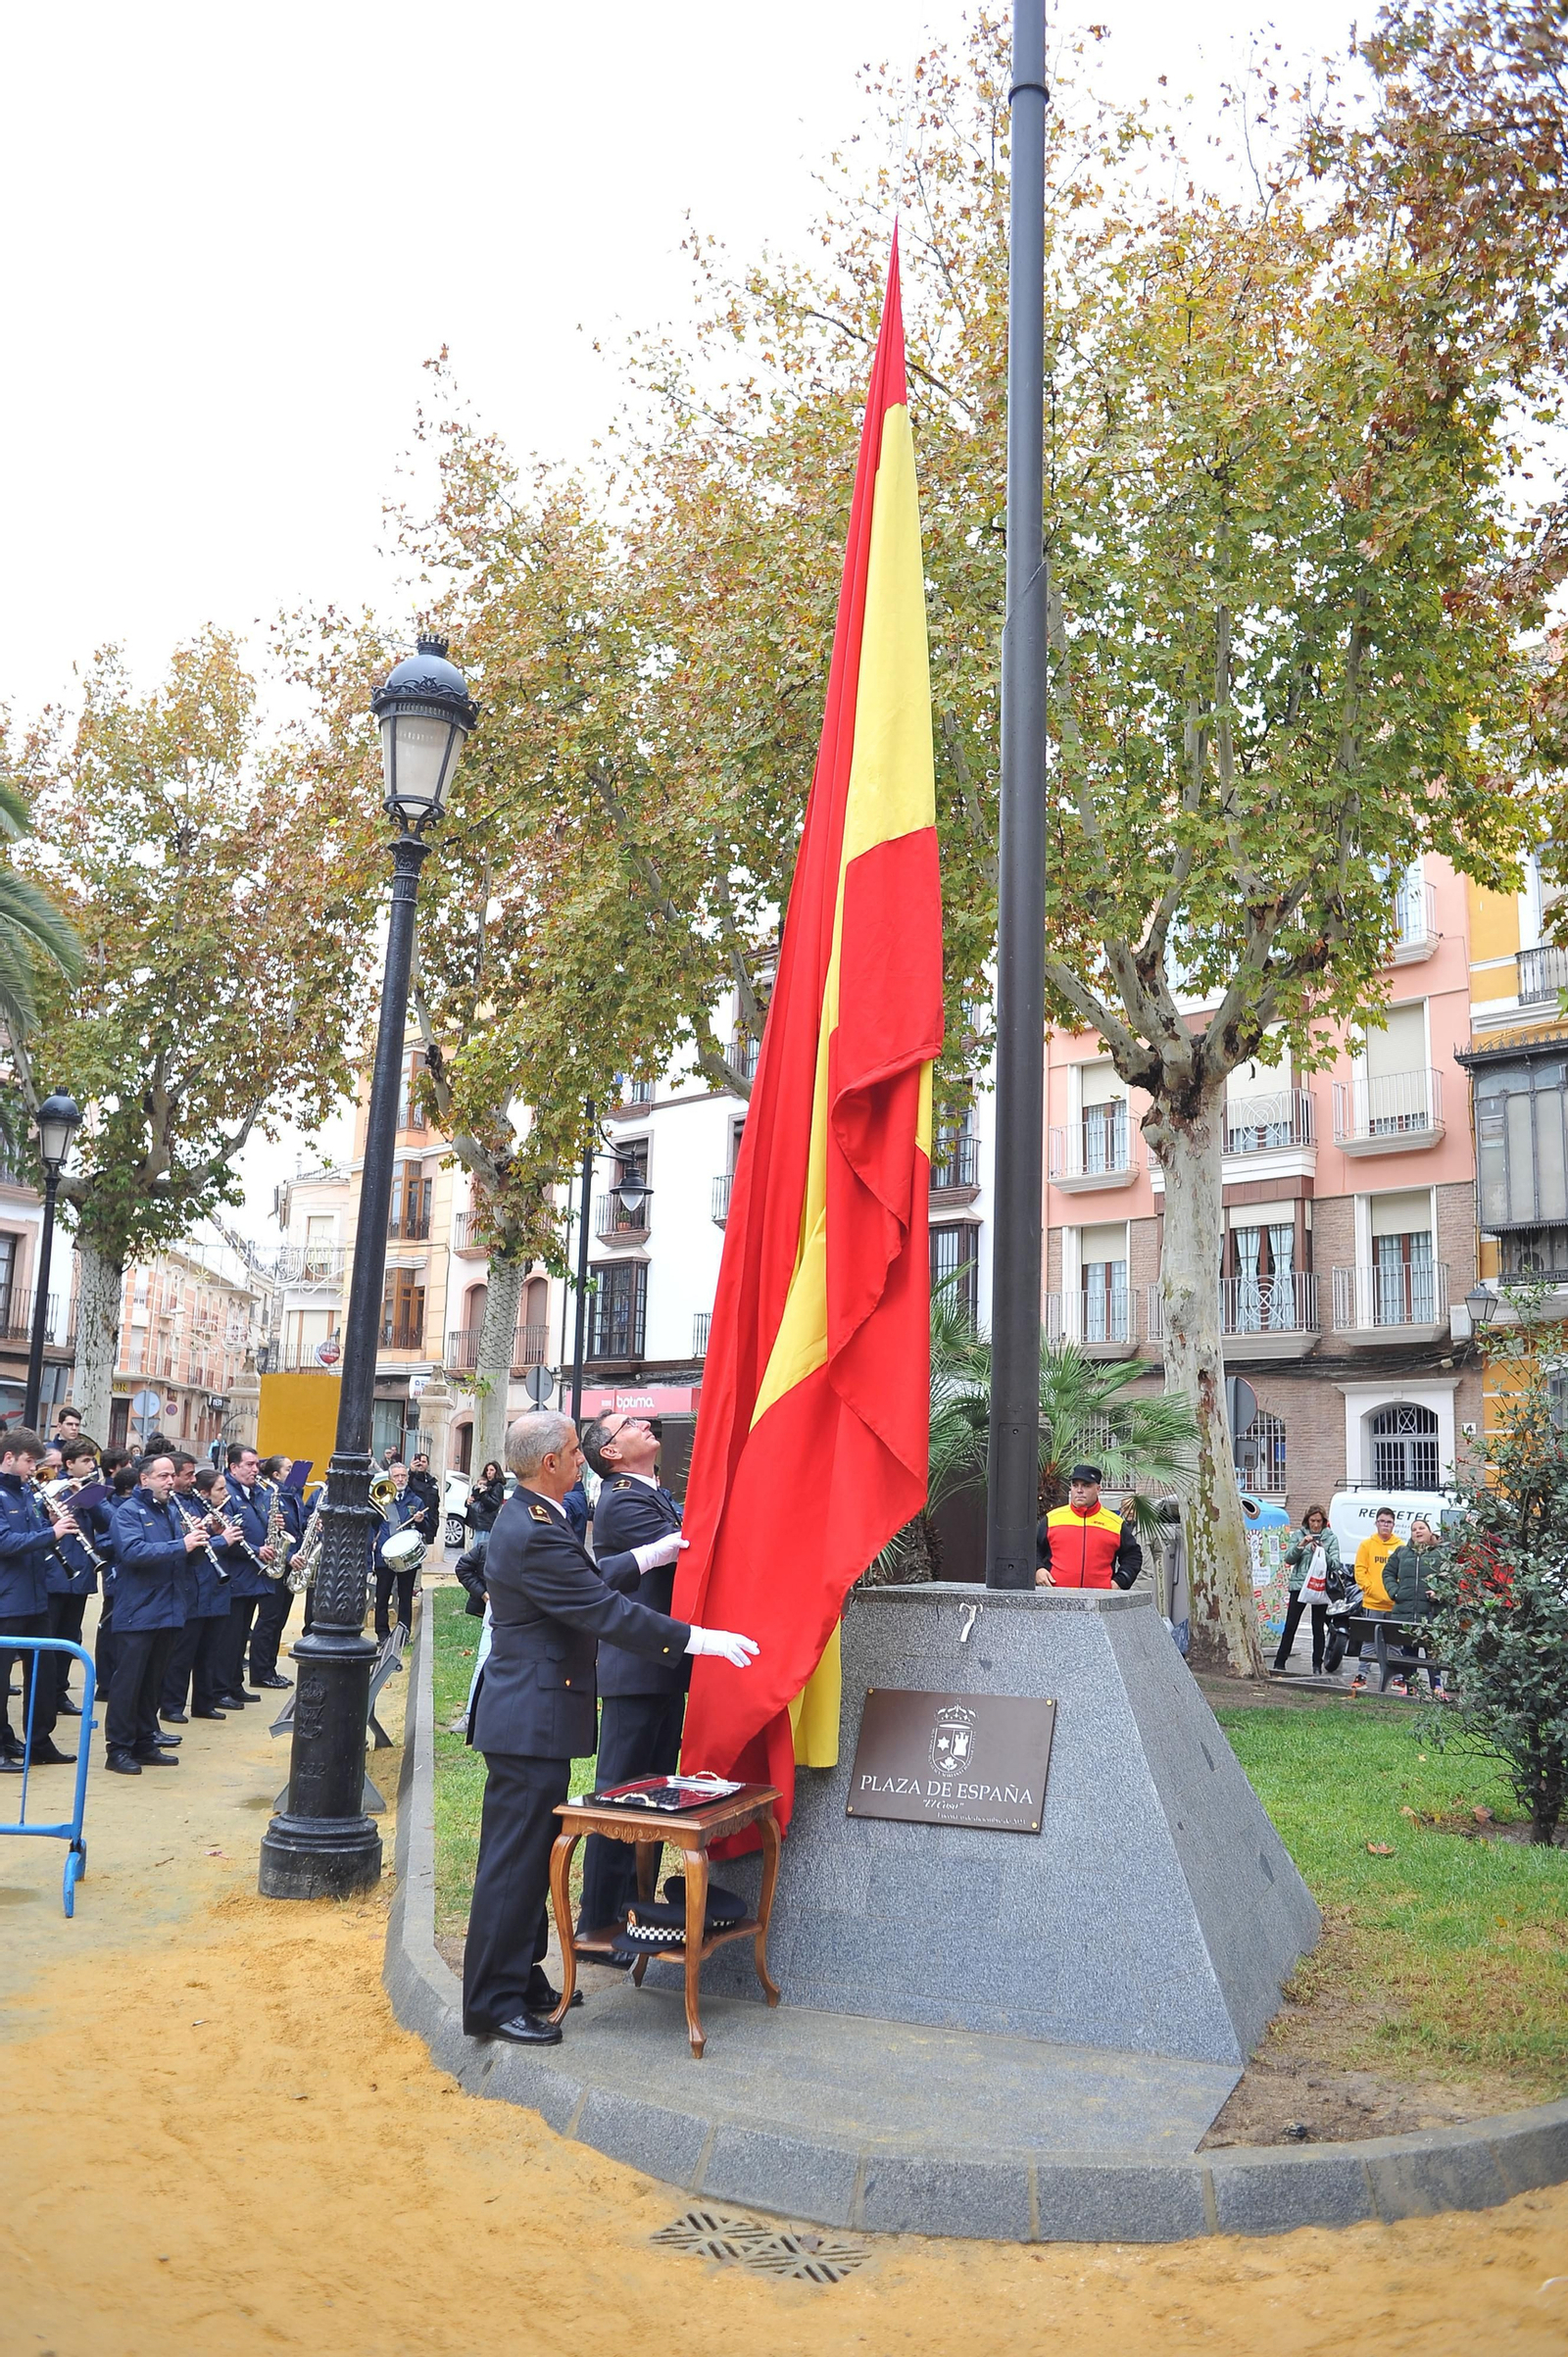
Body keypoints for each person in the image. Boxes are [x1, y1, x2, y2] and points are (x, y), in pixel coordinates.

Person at [463, 1410, 758, 2047]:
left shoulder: (539, 1515)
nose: (581, 1459)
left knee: (530, 1857)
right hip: (526, 1718)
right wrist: (698, 1639)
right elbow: (602, 1610)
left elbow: (589, 1583)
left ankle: (520, 1975)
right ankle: (491, 1999)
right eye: (574, 1451)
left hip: (533, 1714)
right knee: (512, 1866)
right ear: (549, 1463)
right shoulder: (536, 1528)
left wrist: (650, 1557)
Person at [576, 1411, 688, 1940]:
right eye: (628, 1424)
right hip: (636, 1668)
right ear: (612, 1453)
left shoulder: (650, 1491)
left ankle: (635, 1910)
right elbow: (687, 1550)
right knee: (620, 1798)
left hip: (661, 1668)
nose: (645, 1423)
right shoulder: (624, 1498)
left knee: (656, 1799)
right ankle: (601, 1922)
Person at [104, 1453, 209, 1774]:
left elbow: (182, 1557)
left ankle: (145, 1742)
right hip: (139, 1612)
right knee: (129, 1683)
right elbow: (133, 1553)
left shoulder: (171, 1511)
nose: (169, 1481)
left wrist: (200, 1543)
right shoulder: (128, 1512)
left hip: (169, 1609)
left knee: (153, 1683)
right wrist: (183, 1545)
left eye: (170, 1476)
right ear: (143, 1479)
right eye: (162, 1476)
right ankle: (118, 1748)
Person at [0, 1427, 80, 1769]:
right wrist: (52, 1532)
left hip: (35, 1597)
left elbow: (31, 1537)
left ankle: (39, 1741)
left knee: (43, 1674)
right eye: (29, 1462)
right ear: (9, 1458)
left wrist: (48, 1524)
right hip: (7, 1599)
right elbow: (5, 1544)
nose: (33, 1469)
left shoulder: (27, 1493)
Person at [160, 1452, 239, 1722]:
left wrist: (217, 1529)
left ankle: (204, 1702)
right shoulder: (172, 1505)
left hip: (214, 1586)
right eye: (188, 1475)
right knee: (183, 1653)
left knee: (209, 1651)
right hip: (191, 1587)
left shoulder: (196, 1501)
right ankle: (172, 1706)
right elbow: (189, 1546)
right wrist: (222, 1540)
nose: (192, 1480)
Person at [43, 1441, 107, 1720]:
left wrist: (90, 1501)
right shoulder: (49, 1488)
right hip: (54, 1574)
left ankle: (60, 1692)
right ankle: (44, 1696)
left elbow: (108, 1523)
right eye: (85, 1461)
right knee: (50, 1639)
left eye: (92, 1461)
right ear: (69, 1464)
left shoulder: (90, 1491)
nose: (91, 1466)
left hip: (81, 1574)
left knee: (71, 1636)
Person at [212, 1443, 279, 1707]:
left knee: (241, 1636)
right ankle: (221, 1688)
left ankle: (235, 1684)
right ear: (233, 1467)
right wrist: (257, 1549)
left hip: (252, 1576)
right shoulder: (227, 1492)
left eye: (256, 1463)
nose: (256, 1469)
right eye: (250, 1464)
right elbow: (226, 1534)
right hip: (235, 1574)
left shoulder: (255, 1492)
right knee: (228, 1638)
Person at [1036, 1464, 1143, 1590]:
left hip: (1099, 1601)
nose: (1079, 1490)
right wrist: (1038, 1570)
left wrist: (1120, 1582)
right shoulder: (1052, 1519)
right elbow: (1032, 1549)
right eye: (1075, 1485)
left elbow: (1133, 1555)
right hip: (1056, 1599)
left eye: (1086, 1485)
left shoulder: (1114, 1523)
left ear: (1098, 1489)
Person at [247, 1454, 300, 1689]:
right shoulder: (271, 1495)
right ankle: (261, 1673)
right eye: (289, 1469)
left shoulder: (291, 1495)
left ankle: (270, 1669)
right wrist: (287, 1557)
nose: (295, 1473)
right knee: (268, 1621)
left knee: (278, 1621)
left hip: (288, 1563)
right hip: (275, 1564)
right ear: (276, 1475)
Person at [1273, 1505, 1344, 1676]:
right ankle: (1280, 1662)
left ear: (1324, 1522)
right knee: (1291, 1624)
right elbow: (1289, 1559)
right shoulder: (1299, 1535)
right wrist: (1301, 1545)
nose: (1316, 1525)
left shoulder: (1331, 1538)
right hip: (1300, 1585)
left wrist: (1322, 1551)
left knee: (1317, 1627)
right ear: (1307, 1521)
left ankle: (1316, 1665)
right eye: (1313, 1521)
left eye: (1319, 1521)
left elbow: (1335, 1564)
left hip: (1319, 1587)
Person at [1383, 1515, 1447, 1698]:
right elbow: (1387, 1572)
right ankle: (1411, 1685)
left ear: (1430, 1532)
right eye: (1414, 1529)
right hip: (1405, 1612)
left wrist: (1439, 1592)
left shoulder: (1441, 1553)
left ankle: (1437, 1687)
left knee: (1432, 1651)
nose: (1417, 1531)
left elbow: (1451, 1579)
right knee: (1408, 1650)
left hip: (1431, 1613)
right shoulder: (1402, 1553)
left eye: (1421, 1528)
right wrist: (1394, 1592)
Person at [1348, 1506, 1401, 1695]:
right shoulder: (1366, 1545)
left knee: (1396, 1642)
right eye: (1382, 1521)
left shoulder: (1400, 1546)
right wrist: (1371, 1590)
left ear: (1393, 1524)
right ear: (1376, 1523)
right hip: (1372, 1603)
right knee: (1369, 1641)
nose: (1385, 1525)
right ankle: (1362, 1676)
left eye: (1388, 1522)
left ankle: (1398, 1678)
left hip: (1394, 1605)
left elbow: (1402, 1574)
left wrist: (1395, 1593)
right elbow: (1360, 1572)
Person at [372, 1459, 424, 1641]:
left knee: (405, 1596)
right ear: (390, 1478)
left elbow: (426, 1528)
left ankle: (403, 1633)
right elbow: (371, 1525)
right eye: (397, 1476)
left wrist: (420, 1521)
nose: (400, 1479)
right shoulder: (379, 1499)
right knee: (382, 1595)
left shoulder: (416, 1501)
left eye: (403, 1476)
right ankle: (382, 1633)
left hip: (407, 1557)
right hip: (384, 1555)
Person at [406, 1450, 441, 1543]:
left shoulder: (432, 1483)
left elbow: (435, 1506)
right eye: (418, 1461)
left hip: (428, 1524)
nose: (420, 1464)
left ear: (428, 1464)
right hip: (413, 1522)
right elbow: (405, 1489)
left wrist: (435, 1525)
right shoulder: (411, 1479)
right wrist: (411, 1471)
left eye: (424, 1462)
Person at [465, 1460, 507, 1537]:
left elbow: (493, 1504)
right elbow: (476, 1500)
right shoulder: (485, 1485)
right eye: (487, 1470)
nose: (489, 1472)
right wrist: (468, 1501)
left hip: (486, 1524)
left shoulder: (497, 1486)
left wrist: (483, 1494)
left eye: (491, 1470)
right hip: (478, 1523)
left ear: (496, 1472)